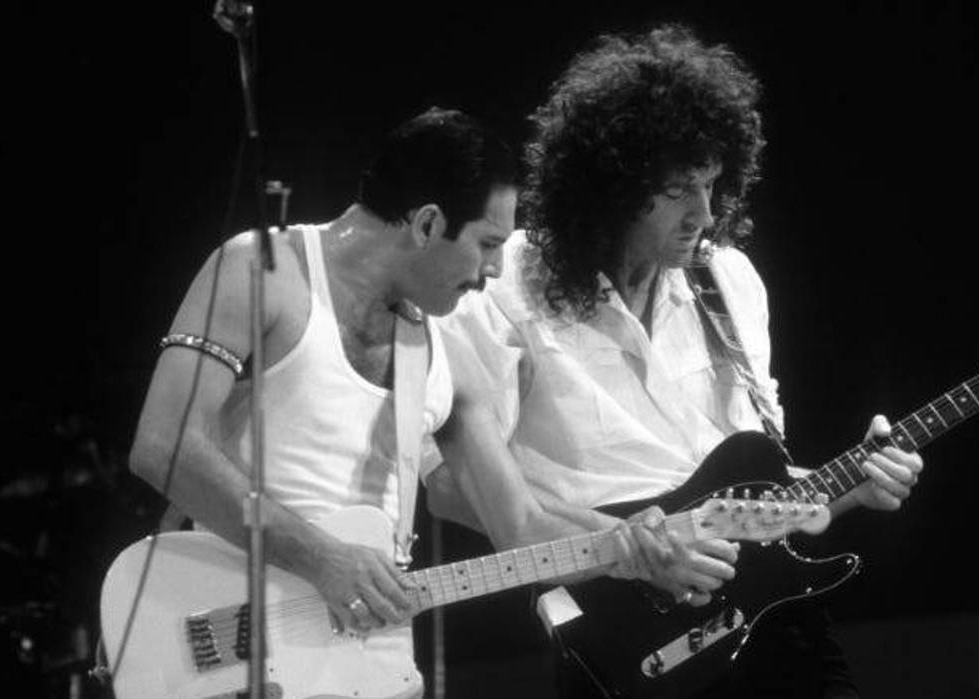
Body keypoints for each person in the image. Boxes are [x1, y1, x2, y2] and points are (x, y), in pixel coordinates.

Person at [126, 107, 709, 696]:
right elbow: (165, 448)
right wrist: (323, 559)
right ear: (428, 223)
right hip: (232, 648)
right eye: (487, 243)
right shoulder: (263, 270)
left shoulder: (445, 351)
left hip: (362, 668)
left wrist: (626, 542)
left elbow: (522, 525)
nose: (494, 270)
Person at [429, 25, 924, 698]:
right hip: (621, 632)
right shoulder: (504, 282)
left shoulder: (730, 281)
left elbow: (762, 493)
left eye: (712, 184)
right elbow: (454, 488)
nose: (704, 211)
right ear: (609, 183)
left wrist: (847, 488)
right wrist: (619, 542)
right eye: (678, 189)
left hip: (767, 618)